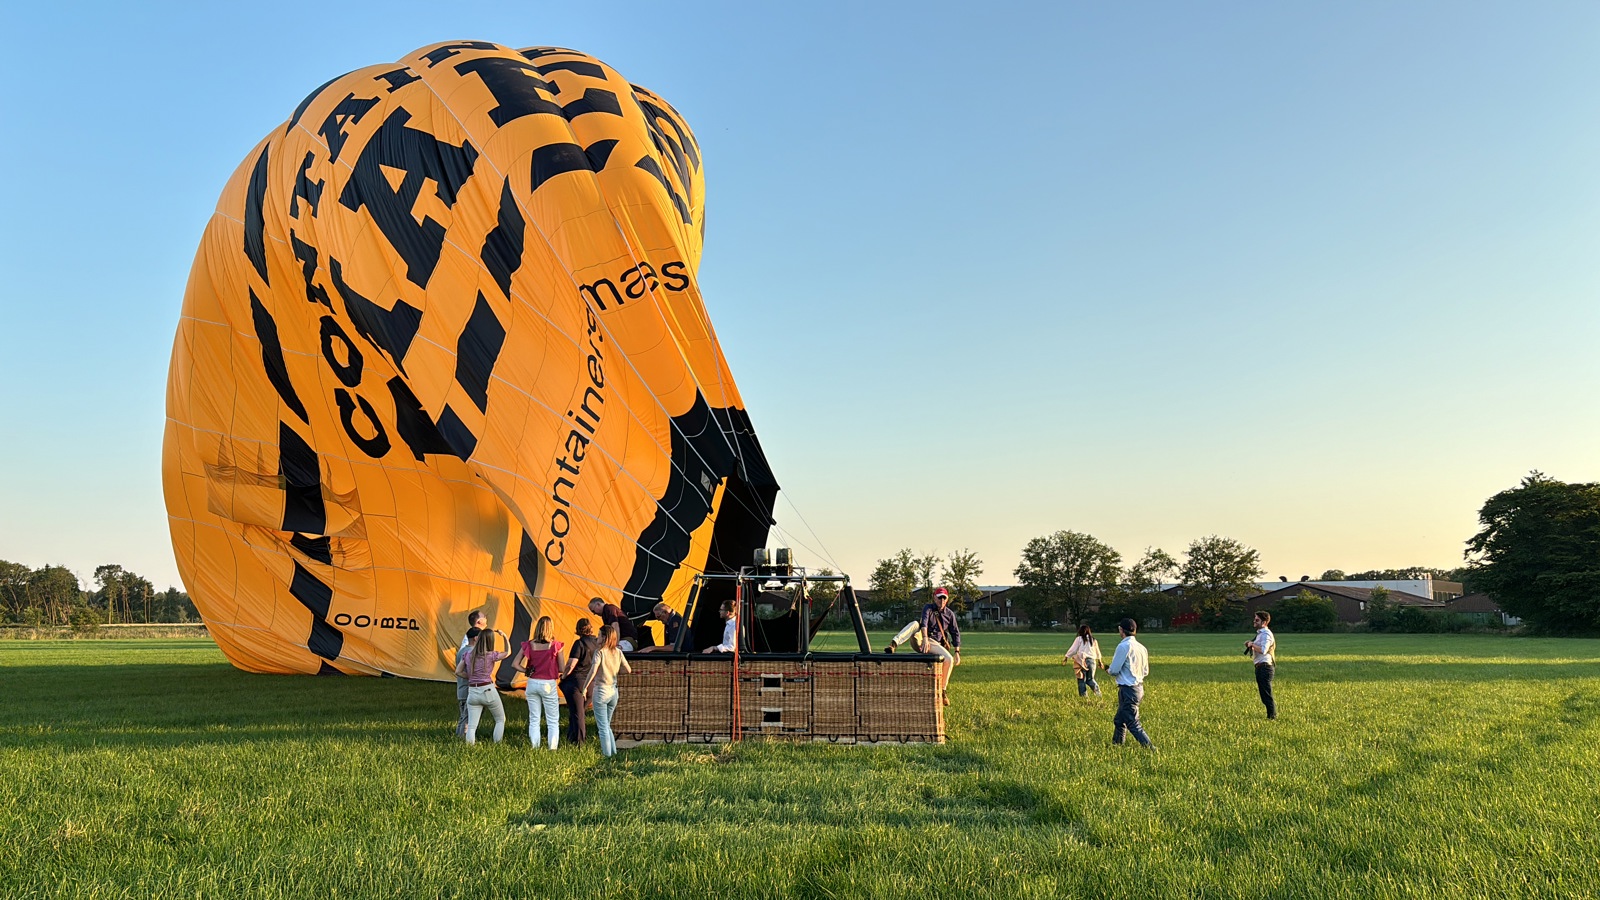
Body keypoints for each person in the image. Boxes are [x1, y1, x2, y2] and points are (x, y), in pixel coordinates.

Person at [883, 587, 961, 705]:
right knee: (915, 624)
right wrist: (924, 638)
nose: (942, 600)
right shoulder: (928, 608)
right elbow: (923, 623)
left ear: (947, 599)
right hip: (921, 639)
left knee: (949, 659)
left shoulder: (950, 614)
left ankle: (943, 691)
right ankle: (893, 644)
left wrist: (957, 652)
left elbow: (955, 632)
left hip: (934, 643)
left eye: (944, 598)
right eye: (939, 597)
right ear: (934, 597)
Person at [511, 615, 563, 750]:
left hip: (532, 682)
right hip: (548, 683)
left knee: (534, 718)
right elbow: (562, 668)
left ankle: (535, 747)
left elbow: (515, 664)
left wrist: (526, 670)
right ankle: (552, 748)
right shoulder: (556, 646)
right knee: (552, 720)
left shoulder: (529, 644)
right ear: (550, 628)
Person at [582, 622, 632, 757]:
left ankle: (607, 755)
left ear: (604, 637)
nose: (597, 638)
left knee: (602, 727)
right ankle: (613, 752)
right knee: (607, 725)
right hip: (614, 691)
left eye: (598, 635)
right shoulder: (618, 652)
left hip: (601, 691)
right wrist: (615, 671)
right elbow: (628, 670)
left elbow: (593, 671)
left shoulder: (600, 652)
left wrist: (585, 687)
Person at [457, 624, 509, 745]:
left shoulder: (467, 655)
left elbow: (458, 671)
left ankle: (469, 747)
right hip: (487, 689)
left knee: (471, 726)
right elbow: (507, 652)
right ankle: (497, 744)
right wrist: (505, 637)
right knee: (500, 719)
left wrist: (471, 677)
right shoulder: (491, 655)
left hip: (472, 691)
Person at [1106, 618, 1152, 748]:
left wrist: (1108, 670)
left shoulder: (1123, 646)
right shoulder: (1142, 648)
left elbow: (1114, 670)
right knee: (1119, 720)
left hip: (1128, 689)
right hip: (1138, 688)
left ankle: (1150, 748)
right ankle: (1116, 745)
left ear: (1121, 630)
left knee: (1132, 723)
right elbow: (1146, 671)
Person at [560, 617, 600, 745]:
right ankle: (571, 737)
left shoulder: (579, 643)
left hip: (577, 682)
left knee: (578, 714)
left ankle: (579, 743)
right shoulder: (597, 642)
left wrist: (564, 676)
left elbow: (571, 664)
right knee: (577, 711)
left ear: (578, 629)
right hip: (592, 683)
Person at [454, 610, 487, 737]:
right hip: (469, 689)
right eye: (483, 616)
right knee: (467, 717)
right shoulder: (470, 651)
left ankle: (460, 736)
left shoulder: (465, 648)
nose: (486, 617)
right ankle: (463, 738)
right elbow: (463, 670)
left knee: (465, 716)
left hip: (463, 689)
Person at [1246, 610, 1277, 720]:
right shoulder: (1261, 634)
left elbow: (1263, 650)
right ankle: (1270, 716)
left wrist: (1252, 644)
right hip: (1261, 667)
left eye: (1257, 620)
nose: (1254, 621)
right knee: (1264, 695)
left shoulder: (1266, 634)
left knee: (1266, 695)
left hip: (1265, 667)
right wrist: (1251, 644)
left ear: (1264, 622)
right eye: (1255, 618)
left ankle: (1272, 717)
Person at [1064, 625, 1103, 698]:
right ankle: (1098, 694)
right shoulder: (1093, 640)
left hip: (1081, 661)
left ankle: (1084, 697)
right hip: (1092, 661)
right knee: (1090, 679)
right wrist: (1100, 662)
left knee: (1081, 679)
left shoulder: (1079, 639)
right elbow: (1098, 652)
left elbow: (1073, 649)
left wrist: (1066, 657)